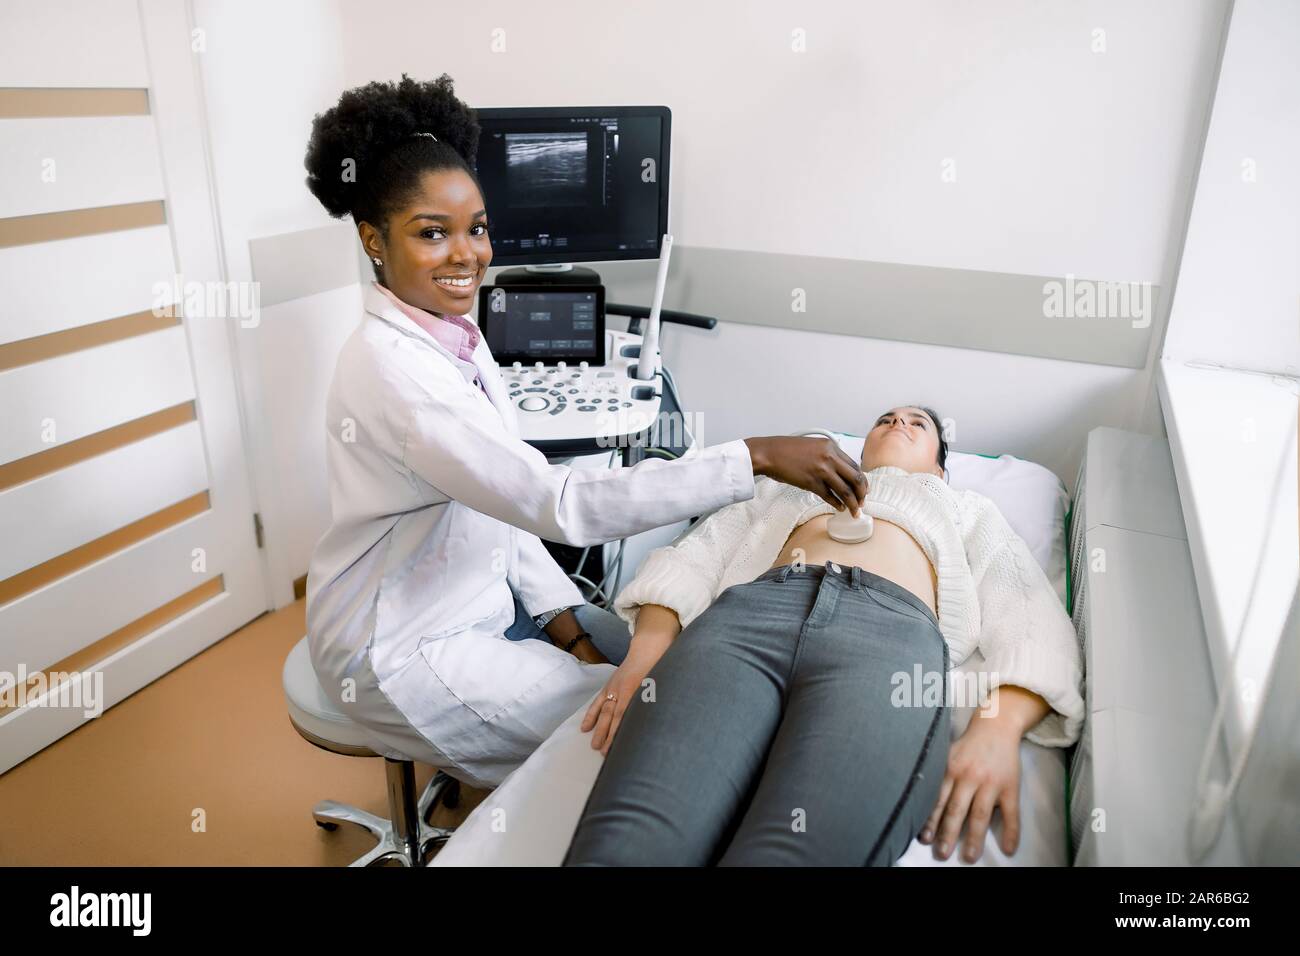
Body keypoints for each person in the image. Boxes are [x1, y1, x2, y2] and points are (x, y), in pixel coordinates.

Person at [300, 74, 868, 790]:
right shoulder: (398, 376)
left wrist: (565, 623)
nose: (468, 254)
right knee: (633, 724)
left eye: (476, 228)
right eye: (431, 234)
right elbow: (556, 504)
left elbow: (498, 501)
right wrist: (753, 456)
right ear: (373, 240)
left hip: (468, 598)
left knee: (640, 672)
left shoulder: (453, 333)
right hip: (400, 644)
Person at [563, 406, 1085, 865]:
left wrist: (996, 731)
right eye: (886, 418)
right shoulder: (787, 486)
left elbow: (1028, 613)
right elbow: (692, 560)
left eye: (917, 422)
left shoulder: (969, 511)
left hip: (887, 641)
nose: (898, 422)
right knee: (631, 840)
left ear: (941, 468)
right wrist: (641, 662)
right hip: (744, 622)